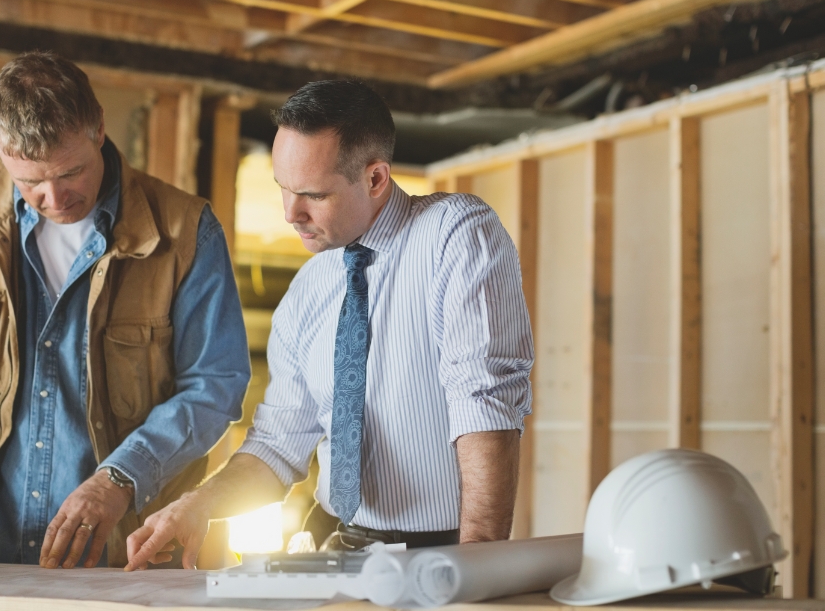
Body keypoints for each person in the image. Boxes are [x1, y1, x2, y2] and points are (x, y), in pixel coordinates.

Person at [125, 79, 533, 571]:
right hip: (341, 548)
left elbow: (483, 400)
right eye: (283, 189)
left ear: (376, 178)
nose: (289, 214)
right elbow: (278, 444)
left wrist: (477, 568)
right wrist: (199, 505)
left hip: (446, 552)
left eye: (312, 195)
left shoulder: (454, 234)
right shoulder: (310, 288)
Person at [0, 52, 250, 569]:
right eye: (30, 182)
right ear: (1, 151)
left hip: (128, 560)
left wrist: (121, 477)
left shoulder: (187, 231)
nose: (54, 196)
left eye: (71, 172)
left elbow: (215, 384)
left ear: (99, 131)